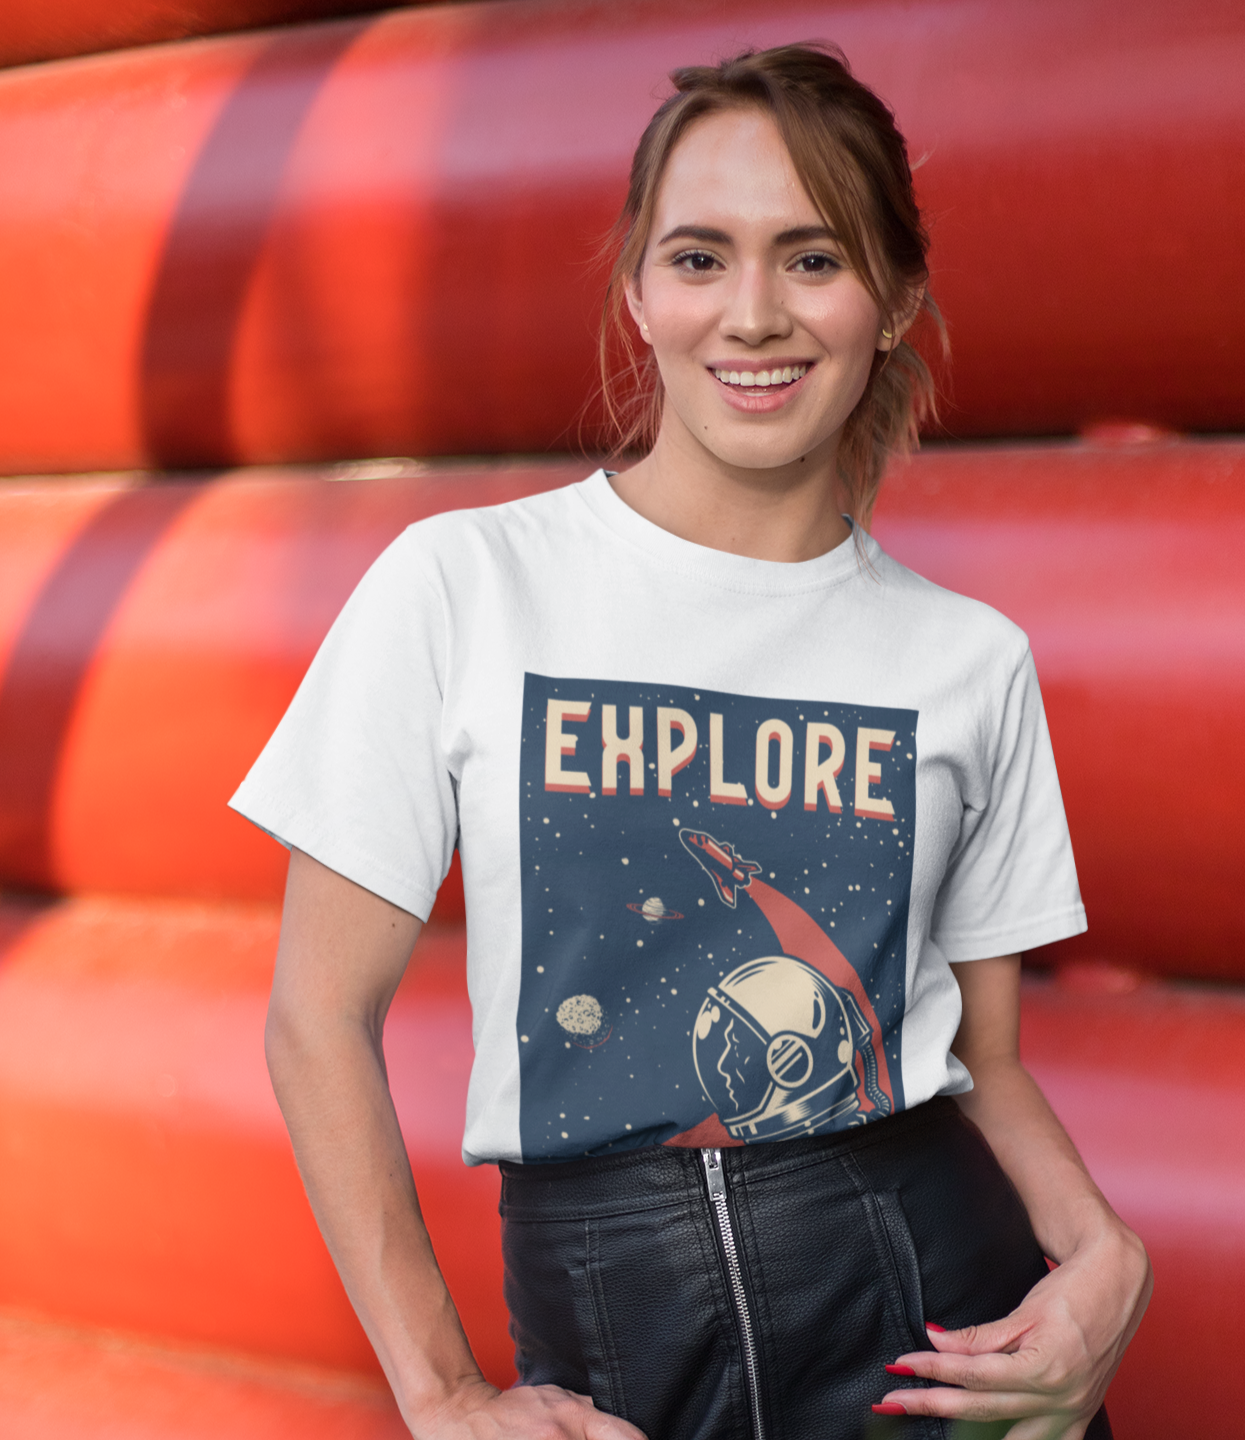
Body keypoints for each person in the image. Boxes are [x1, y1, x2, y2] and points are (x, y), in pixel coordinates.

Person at [233, 42, 1151, 1440]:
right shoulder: (464, 586)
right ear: (639, 296)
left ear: (894, 300)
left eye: (813, 259)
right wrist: (441, 1394)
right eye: (703, 258)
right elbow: (314, 1022)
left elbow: (993, 1059)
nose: (757, 314)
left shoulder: (969, 661)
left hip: (933, 1325)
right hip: (615, 1328)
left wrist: (1105, 1260)